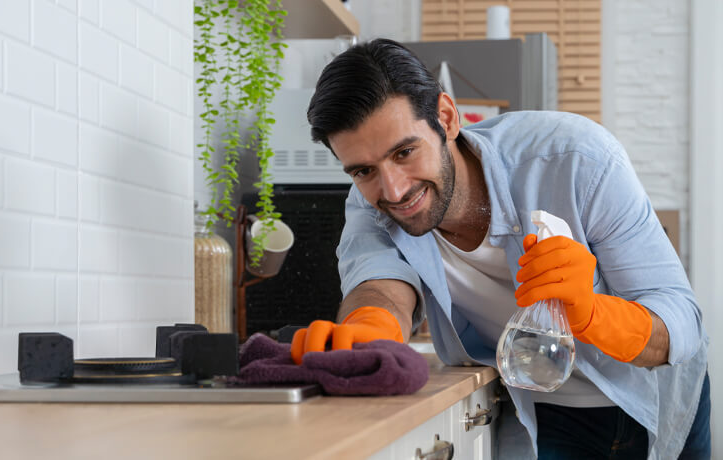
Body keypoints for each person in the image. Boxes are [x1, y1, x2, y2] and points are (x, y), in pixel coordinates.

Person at [290, 38, 710, 458]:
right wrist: (369, 334)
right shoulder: (371, 201)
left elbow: (681, 322)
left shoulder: (578, 159)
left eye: (404, 152)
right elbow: (380, 286)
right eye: (364, 170)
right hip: (544, 409)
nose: (394, 190)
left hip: (650, 397)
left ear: (446, 118)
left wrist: (595, 315)